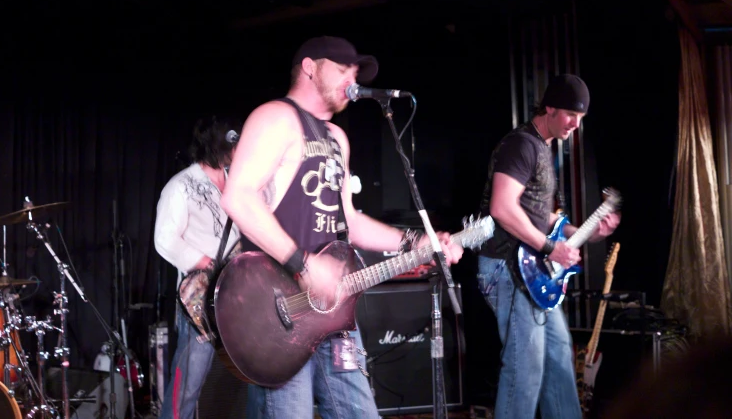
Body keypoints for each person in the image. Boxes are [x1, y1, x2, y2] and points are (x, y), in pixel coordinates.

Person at [220, 35, 465, 419]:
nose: (352, 77)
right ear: (309, 67)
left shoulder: (337, 138)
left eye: (356, 71)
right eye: (343, 68)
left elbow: (349, 224)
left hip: (332, 316)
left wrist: (416, 241)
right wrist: (303, 264)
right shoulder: (276, 118)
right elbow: (238, 198)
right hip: (278, 309)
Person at [475, 74, 621, 419]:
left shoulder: (542, 148)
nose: (575, 124)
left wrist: (589, 232)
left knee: (558, 361)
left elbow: (542, 221)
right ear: (550, 107)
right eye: (571, 114)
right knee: (524, 371)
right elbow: (502, 207)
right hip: (507, 267)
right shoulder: (522, 145)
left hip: (530, 270)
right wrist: (550, 249)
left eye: (581, 118)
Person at [154, 115, 242, 419]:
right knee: (189, 382)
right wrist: (203, 262)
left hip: (240, 293)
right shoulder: (181, 185)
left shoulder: (239, 180)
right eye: (233, 140)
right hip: (201, 298)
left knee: (257, 373)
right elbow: (164, 238)